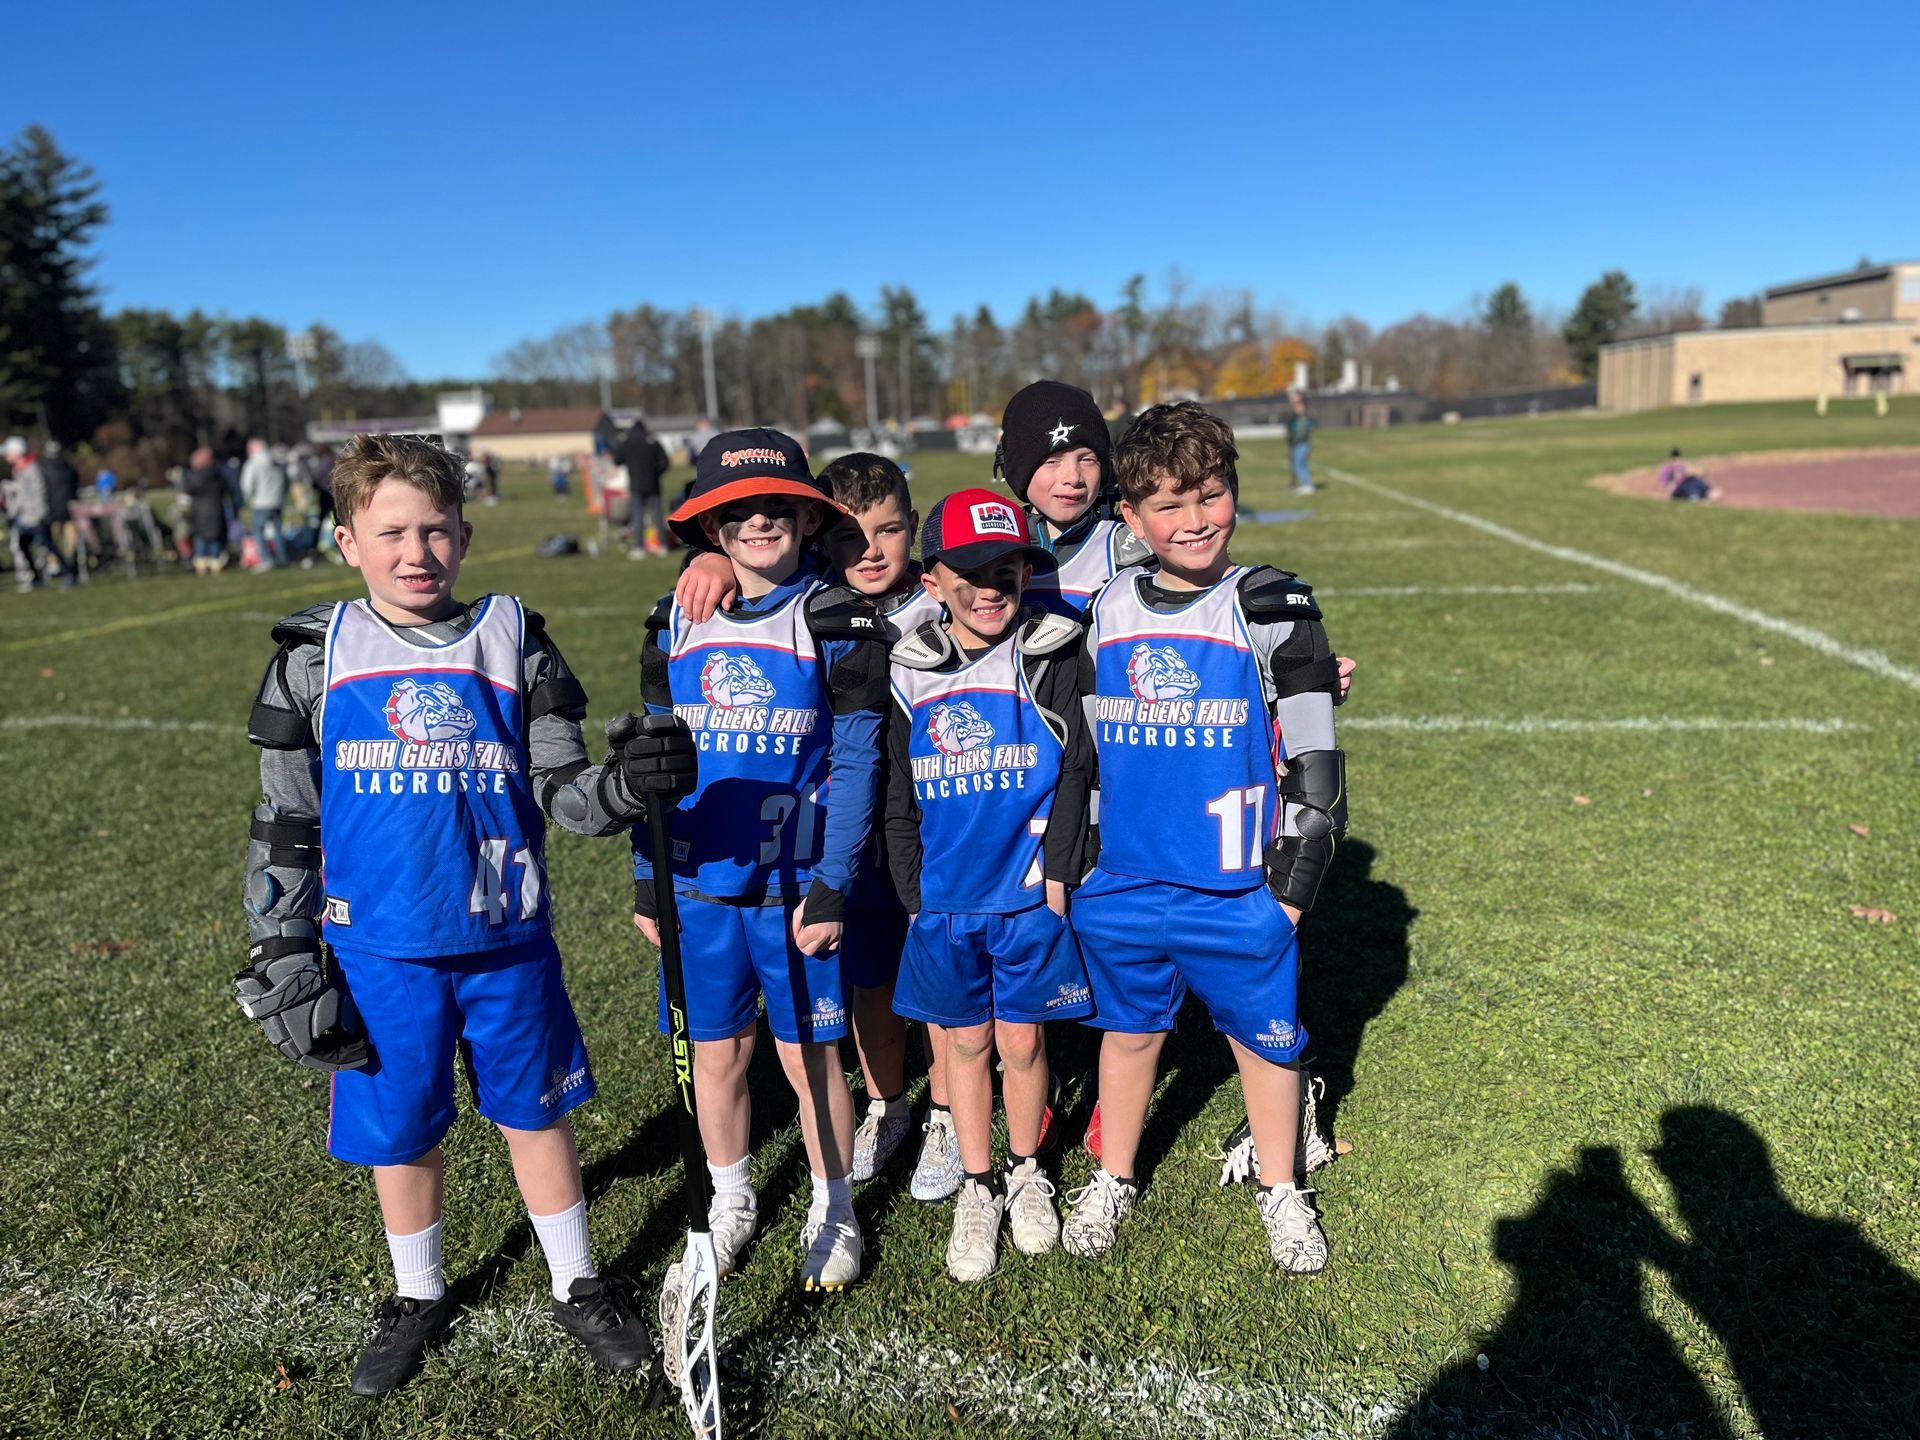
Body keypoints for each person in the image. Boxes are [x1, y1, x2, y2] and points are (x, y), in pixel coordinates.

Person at [236, 432, 660, 1396]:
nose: (415, 552)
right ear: (347, 540)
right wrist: (281, 941)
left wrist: (629, 787)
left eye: (435, 530)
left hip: (506, 939)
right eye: (391, 533)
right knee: (402, 1128)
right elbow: (284, 822)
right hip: (377, 946)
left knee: (534, 1113)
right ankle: (416, 1292)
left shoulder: (516, 638)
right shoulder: (315, 654)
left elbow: (565, 794)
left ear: (466, 536)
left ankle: (577, 1280)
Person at [1054, 401, 1346, 1274]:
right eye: (1169, 505)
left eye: (1210, 495)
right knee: (1131, 1034)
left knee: (1263, 1039)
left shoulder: (1269, 605)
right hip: (1130, 880)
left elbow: (1319, 769)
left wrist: (1290, 892)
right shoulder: (1103, 608)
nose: (1193, 520)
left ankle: (1283, 1189)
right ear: (1130, 519)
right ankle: (1113, 1175)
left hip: (1237, 887)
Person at [636, 428, 888, 1294]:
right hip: (700, 883)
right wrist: (648, 875)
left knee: (810, 1054)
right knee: (716, 1052)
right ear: (712, 528)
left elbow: (856, 760)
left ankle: (835, 1202)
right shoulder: (672, 618)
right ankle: (733, 1195)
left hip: (795, 885)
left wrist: (833, 882)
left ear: (804, 516)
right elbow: (652, 763)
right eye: (737, 511)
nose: (759, 522)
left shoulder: (832, 616)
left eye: (776, 506)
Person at [886, 489, 1094, 1280]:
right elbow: (897, 803)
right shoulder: (910, 671)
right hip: (945, 902)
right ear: (933, 580)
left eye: (1005, 570)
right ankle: (978, 1183)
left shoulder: (1049, 653)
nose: (989, 588)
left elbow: (1075, 772)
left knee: (1024, 1040)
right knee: (966, 1042)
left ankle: (1025, 1169)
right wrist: (915, 898)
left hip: (1027, 895)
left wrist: (1060, 877)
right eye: (968, 572)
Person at [4, 436, 68, 591]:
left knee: (47, 545)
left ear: (17, 452)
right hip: (26, 516)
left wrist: (36, 515)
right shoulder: (20, 469)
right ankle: (36, 577)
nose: (6, 456)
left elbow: (36, 494)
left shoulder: (31, 468)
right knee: (23, 545)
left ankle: (69, 572)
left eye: (8, 452)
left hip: (34, 516)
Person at [619, 420, 670, 557]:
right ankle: (663, 545)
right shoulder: (652, 441)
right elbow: (665, 462)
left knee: (638, 517)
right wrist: (656, 474)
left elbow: (617, 459)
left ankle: (639, 547)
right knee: (657, 517)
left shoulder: (627, 442)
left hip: (636, 485)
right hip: (653, 484)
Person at [239, 438, 289, 570]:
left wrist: (249, 498)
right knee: (277, 531)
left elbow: (247, 484)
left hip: (261, 502)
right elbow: (285, 480)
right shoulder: (276, 461)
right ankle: (281, 557)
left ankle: (266, 559)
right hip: (276, 500)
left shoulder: (253, 463)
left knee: (258, 531)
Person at [180, 448, 231, 575]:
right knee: (215, 538)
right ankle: (215, 562)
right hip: (216, 510)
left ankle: (202, 564)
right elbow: (228, 491)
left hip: (199, 512)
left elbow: (185, 494)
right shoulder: (218, 476)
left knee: (201, 538)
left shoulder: (194, 477)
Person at [39, 441, 80, 578]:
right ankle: (69, 561)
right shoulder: (68, 466)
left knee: (53, 539)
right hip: (69, 508)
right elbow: (75, 482)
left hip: (52, 509)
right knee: (70, 538)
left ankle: (54, 564)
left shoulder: (42, 467)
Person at [1286, 390, 1316, 495]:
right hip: (1296, 444)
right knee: (1296, 465)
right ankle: (1302, 484)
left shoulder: (1303, 417)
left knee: (1300, 465)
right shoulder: (1295, 417)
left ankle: (1308, 484)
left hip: (1302, 444)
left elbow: (1302, 431)